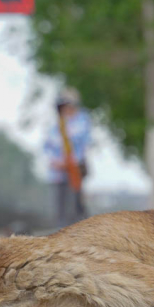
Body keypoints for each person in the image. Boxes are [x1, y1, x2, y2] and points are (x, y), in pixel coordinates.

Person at [44, 87, 92, 228]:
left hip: (74, 171)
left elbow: (83, 144)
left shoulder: (82, 121)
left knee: (74, 208)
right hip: (58, 174)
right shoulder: (56, 126)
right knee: (60, 210)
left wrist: (68, 163)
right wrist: (56, 162)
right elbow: (47, 147)